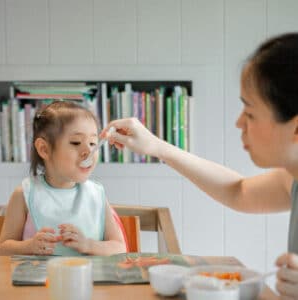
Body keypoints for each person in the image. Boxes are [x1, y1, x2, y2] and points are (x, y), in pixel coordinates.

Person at [101, 32, 298, 298]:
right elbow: (239, 191)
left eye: (250, 113)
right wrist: (157, 147)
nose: (239, 123)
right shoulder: (291, 179)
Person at [0, 101, 126, 256]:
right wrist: (29, 247)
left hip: (89, 279)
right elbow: (2, 249)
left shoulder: (97, 194)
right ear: (44, 149)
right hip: (40, 280)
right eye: (76, 142)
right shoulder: (24, 195)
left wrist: (88, 245)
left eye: (93, 143)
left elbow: (119, 247)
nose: (88, 151)